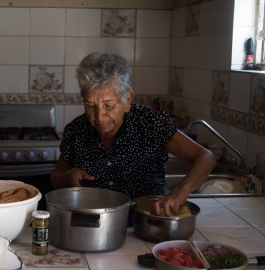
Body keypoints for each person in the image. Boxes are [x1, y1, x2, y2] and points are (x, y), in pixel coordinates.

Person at [50, 52, 216, 217]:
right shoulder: (76, 129)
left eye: (108, 105)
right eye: (90, 105)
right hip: (93, 228)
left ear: (127, 99)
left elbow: (205, 157)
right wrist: (67, 178)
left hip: (145, 226)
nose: (99, 116)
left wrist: (180, 192)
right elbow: (55, 177)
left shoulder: (151, 123)